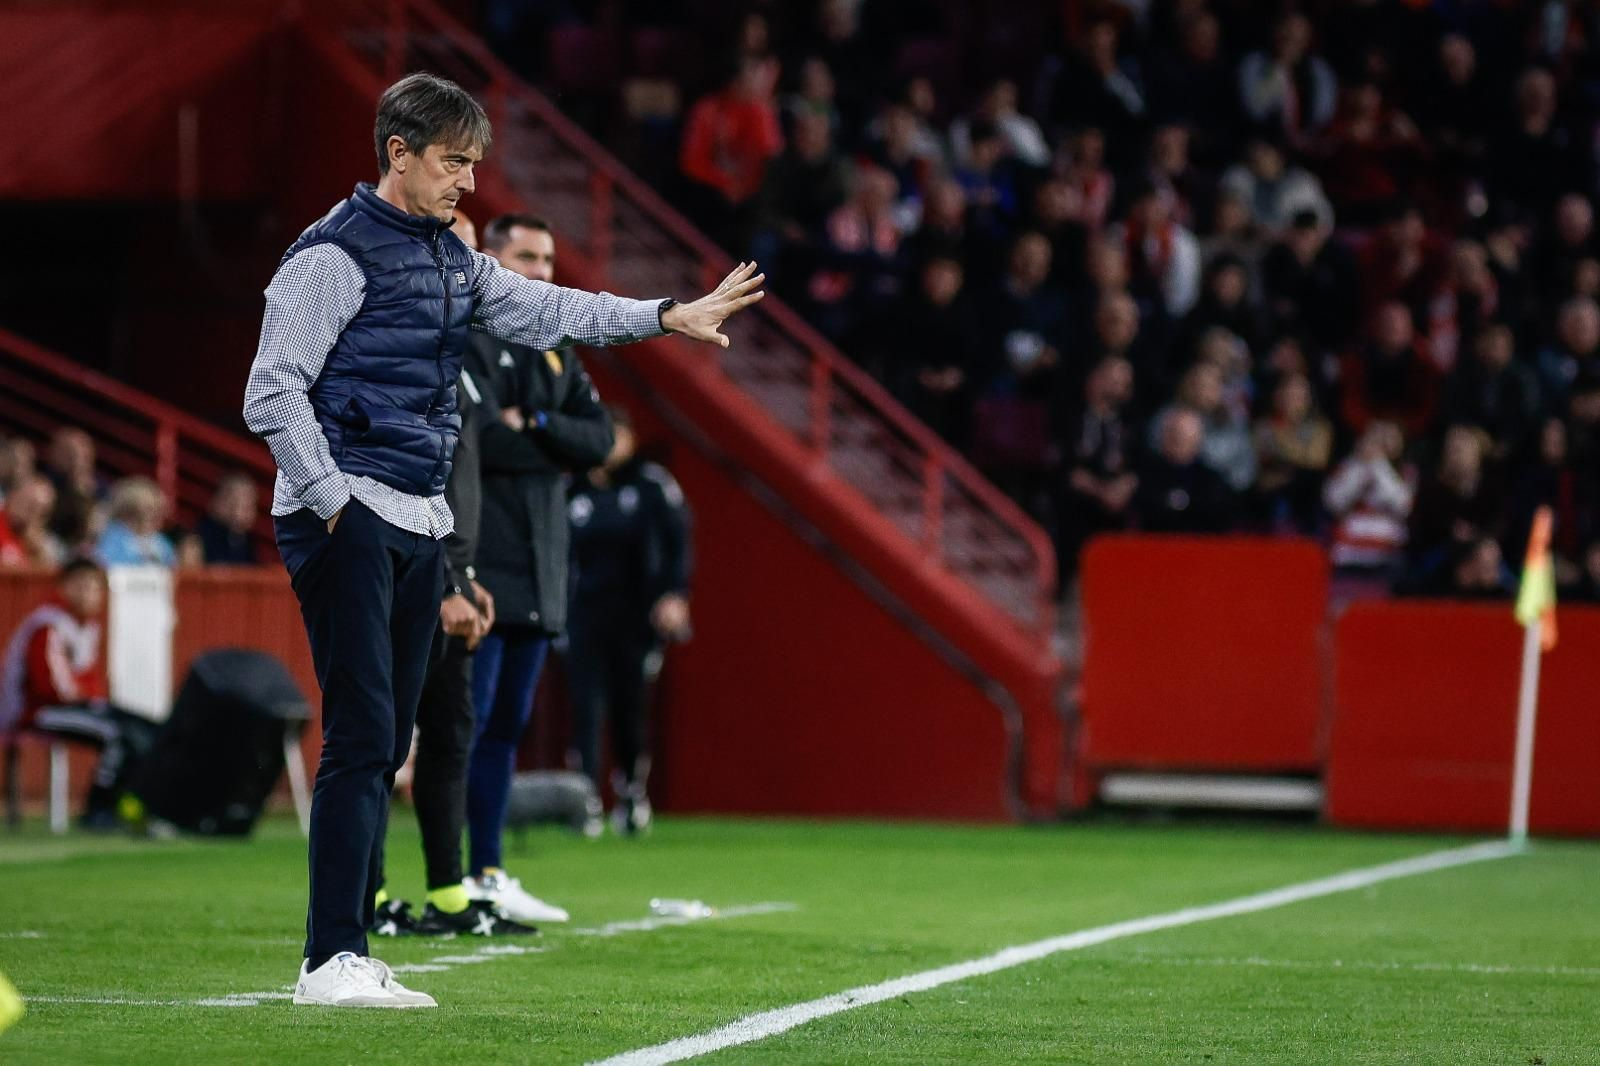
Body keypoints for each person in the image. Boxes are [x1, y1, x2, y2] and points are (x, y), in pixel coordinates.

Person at [241, 73, 764, 1010]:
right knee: (363, 736)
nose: (467, 185)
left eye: (474, 165)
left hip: (416, 519)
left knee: (386, 735)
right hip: (354, 514)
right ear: (397, 153)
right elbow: (270, 391)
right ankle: (329, 959)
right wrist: (333, 504)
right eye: (452, 162)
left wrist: (664, 317)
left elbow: (550, 310)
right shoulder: (328, 259)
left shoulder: (449, 258)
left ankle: (347, 950)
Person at [369, 210, 535, 941]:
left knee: (450, 735)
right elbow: (400, 477)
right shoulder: (399, 352)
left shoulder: (464, 361)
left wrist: (465, 573)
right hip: (405, 569)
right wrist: (439, 584)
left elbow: (458, 482)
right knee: (376, 740)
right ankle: (364, 899)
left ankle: (447, 892)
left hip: (448, 569)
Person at [459, 212, 610, 926]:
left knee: (506, 723)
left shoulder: (555, 344)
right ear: (491, 258)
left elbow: (600, 440)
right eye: (528, 256)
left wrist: (540, 427)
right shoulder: (475, 336)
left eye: (550, 259)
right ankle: (457, 873)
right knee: (472, 720)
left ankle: (486, 866)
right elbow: (480, 439)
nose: (543, 272)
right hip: (484, 558)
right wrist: (554, 443)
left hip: (543, 561)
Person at [566, 407, 692, 834]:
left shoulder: (651, 485)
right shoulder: (572, 488)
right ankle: (584, 801)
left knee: (629, 707)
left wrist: (675, 594)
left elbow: (678, 540)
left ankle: (631, 794)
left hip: (636, 616)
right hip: (584, 614)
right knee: (584, 705)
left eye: (615, 436)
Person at [0, 557, 157, 829]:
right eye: (81, 586)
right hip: (36, 712)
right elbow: (51, 687)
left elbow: (88, 681)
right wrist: (91, 701)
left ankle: (128, 803)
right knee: (115, 734)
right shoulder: (50, 624)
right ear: (64, 588)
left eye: (94, 587)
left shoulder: (87, 628)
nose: (89, 594)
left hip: (67, 707)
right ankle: (98, 809)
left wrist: (94, 701)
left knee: (141, 728)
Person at [96, 477, 176, 567]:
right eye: (148, 509)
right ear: (128, 512)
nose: (154, 516)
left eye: (157, 510)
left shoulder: (161, 542)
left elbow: (173, 569)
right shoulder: (110, 538)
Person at [196, 473, 261, 565]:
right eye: (234, 502)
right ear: (218, 501)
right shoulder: (198, 541)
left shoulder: (247, 542)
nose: (248, 512)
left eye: (251, 504)